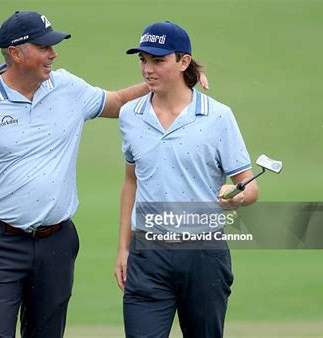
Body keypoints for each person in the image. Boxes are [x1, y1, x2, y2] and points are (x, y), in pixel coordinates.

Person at [0, 10, 153, 338]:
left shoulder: (67, 87)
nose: (53, 54)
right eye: (43, 47)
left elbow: (118, 101)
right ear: (15, 53)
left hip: (57, 244)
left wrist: (163, 80)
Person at [114, 21, 259, 338]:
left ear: (183, 61)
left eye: (158, 60)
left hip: (203, 253)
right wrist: (123, 249)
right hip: (147, 253)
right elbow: (131, 182)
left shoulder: (218, 116)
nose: (148, 69)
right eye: (143, 60)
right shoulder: (130, 115)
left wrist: (236, 195)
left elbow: (249, 186)